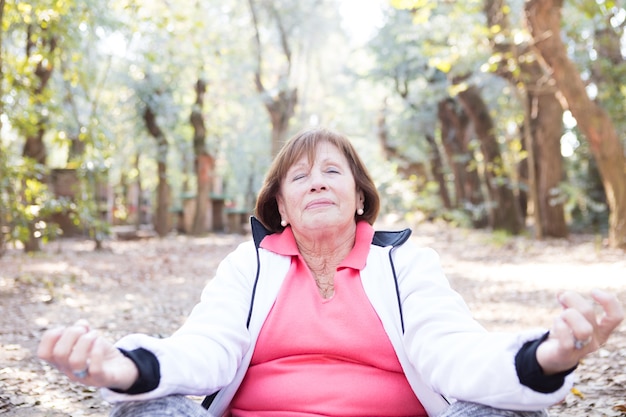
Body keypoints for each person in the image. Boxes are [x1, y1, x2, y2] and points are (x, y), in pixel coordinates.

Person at [38, 127, 623, 417]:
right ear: (282, 207)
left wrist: (547, 356)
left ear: (360, 198)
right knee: (144, 406)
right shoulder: (250, 265)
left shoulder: (405, 263)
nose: (316, 181)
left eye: (331, 172)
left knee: (499, 409)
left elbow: (456, 352)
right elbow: (205, 348)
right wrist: (127, 365)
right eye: (299, 177)